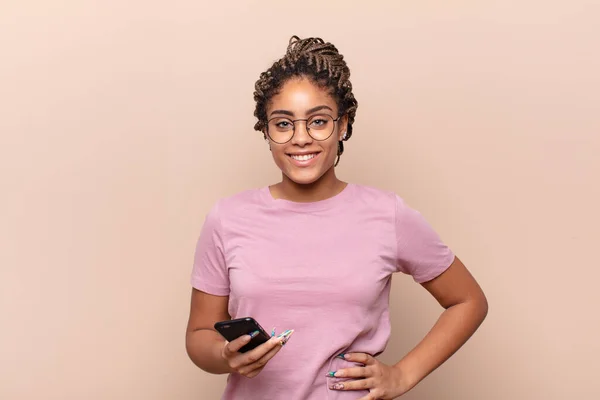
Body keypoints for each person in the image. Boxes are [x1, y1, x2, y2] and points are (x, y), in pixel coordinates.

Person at [185, 35, 488, 400]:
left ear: (343, 125)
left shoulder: (386, 214)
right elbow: (199, 335)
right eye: (283, 124)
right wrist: (224, 354)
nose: (301, 138)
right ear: (266, 131)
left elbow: (468, 300)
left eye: (318, 121)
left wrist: (403, 376)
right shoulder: (227, 218)